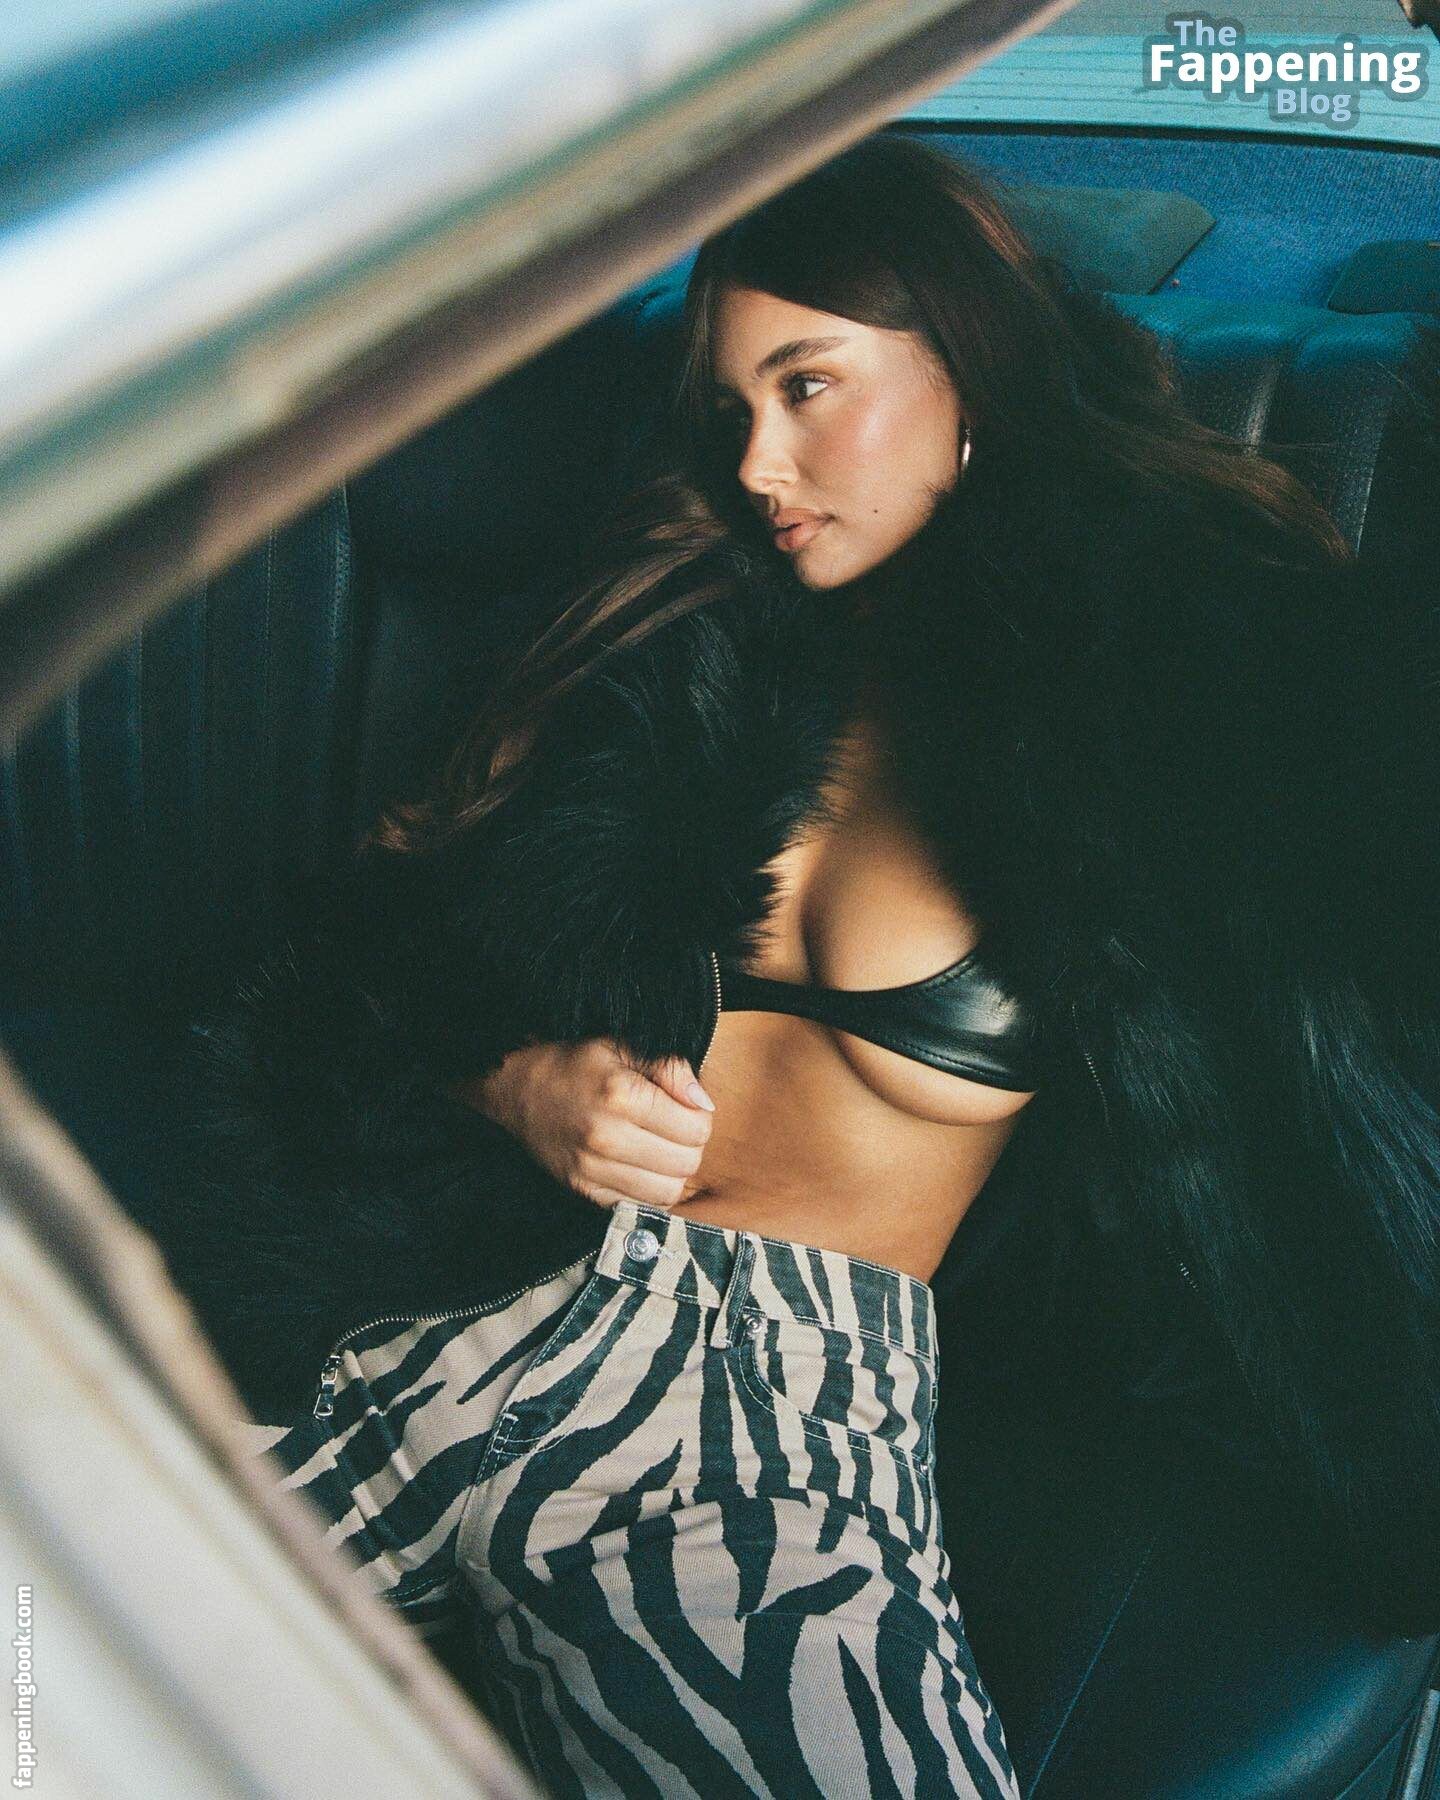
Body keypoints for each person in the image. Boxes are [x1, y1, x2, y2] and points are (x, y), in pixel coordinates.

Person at [155, 134, 1440, 1796]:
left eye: (810, 385)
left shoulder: (1187, 677)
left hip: (754, 1421)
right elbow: (360, 962)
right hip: (410, 1324)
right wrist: (520, 1083)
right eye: (730, 405)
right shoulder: (669, 631)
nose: (761, 459)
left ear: (970, 368)